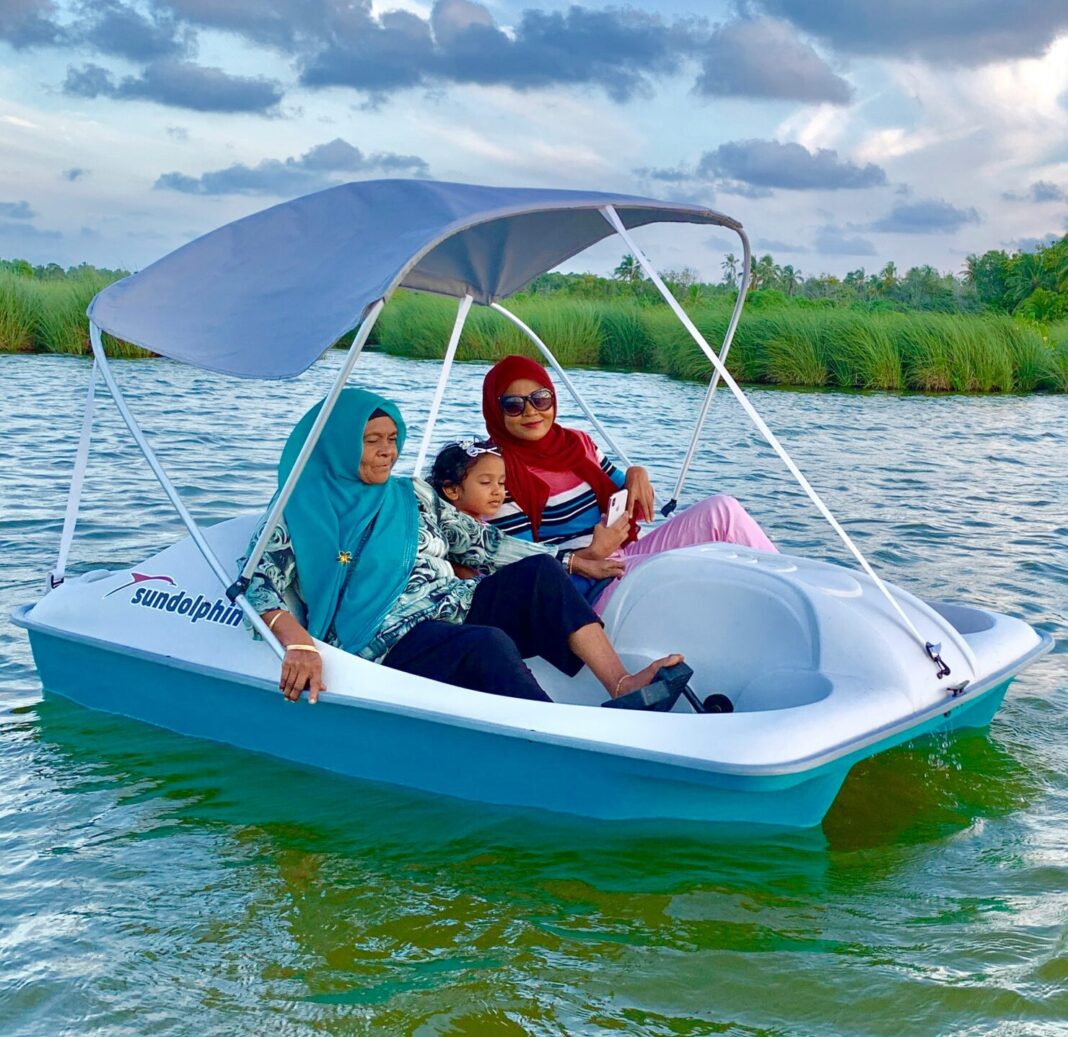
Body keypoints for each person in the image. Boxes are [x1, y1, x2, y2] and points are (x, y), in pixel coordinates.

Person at [239, 387, 681, 705]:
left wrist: (573, 562)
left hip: (453, 605)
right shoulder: (298, 508)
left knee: (540, 576)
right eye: (371, 441)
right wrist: (298, 644)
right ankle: (555, 734)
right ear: (336, 444)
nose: (386, 453)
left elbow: (483, 544)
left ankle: (621, 684)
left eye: (392, 440)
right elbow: (256, 583)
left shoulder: (409, 493)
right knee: (484, 644)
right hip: (382, 639)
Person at [482, 354, 777, 612]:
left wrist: (637, 472)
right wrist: (591, 553)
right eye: (513, 405)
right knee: (678, 568)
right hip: (581, 582)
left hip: (622, 553)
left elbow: (627, 495)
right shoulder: (495, 471)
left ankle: (792, 584)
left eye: (540, 398)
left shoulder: (577, 443)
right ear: (496, 411)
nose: (531, 411)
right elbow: (520, 564)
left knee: (722, 510)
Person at [428, 439, 507, 522]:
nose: (497, 491)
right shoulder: (452, 530)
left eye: (501, 482)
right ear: (452, 490)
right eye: (485, 482)